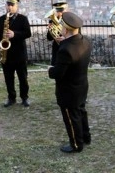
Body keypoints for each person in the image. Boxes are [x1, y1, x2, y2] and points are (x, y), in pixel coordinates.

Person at [48, 11, 92, 153]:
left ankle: (76, 144)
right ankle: (86, 137)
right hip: (81, 85)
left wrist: (50, 70)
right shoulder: (85, 41)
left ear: (66, 29)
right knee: (81, 112)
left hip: (68, 91)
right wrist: (65, 42)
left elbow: (58, 73)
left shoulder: (65, 49)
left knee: (71, 118)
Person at [0, 0, 32, 107]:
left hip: (20, 54)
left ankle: (24, 98)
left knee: (23, 78)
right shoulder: (1, 19)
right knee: (8, 78)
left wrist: (14, 34)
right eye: (8, 5)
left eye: (12, 5)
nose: (9, 7)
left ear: (17, 6)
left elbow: (28, 33)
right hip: (7, 54)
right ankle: (11, 98)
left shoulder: (23, 19)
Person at [46, 1, 68, 65]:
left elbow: (77, 35)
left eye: (61, 10)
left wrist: (65, 38)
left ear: (66, 9)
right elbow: (49, 38)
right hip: (57, 49)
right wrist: (50, 30)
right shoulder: (52, 21)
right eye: (57, 10)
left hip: (68, 48)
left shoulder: (71, 20)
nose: (59, 12)